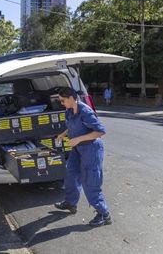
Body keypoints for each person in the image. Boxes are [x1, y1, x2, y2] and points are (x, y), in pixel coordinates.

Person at [54, 87, 112, 227]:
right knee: (70, 172)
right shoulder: (69, 110)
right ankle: (71, 203)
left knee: (90, 180)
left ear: (71, 98)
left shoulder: (85, 111)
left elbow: (100, 131)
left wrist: (78, 139)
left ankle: (104, 214)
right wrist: (63, 134)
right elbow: (73, 126)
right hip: (78, 148)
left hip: (91, 148)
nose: (61, 103)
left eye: (63, 100)